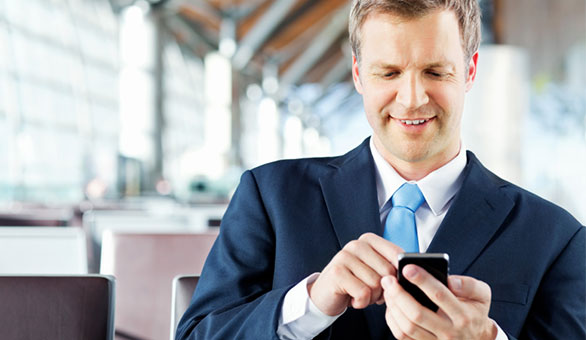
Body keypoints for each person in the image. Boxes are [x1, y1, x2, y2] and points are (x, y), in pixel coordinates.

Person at [176, 0, 586, 339]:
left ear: (470, 71)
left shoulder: (556, 238)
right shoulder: (270, 196)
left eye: (435, 71)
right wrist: (312, 302)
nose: (411, 99)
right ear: (358, 74)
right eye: (388, 72)